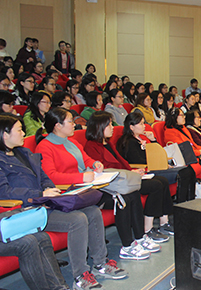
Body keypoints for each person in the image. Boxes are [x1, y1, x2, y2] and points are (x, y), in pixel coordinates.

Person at [0, 114, 127, 290]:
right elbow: (5, 192)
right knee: (78, 219)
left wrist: (48, 188)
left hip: (44, 203)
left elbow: (44, 176)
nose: (23, 134)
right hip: (26, 211)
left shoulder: (24, 154)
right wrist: (39, 195)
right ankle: (81, 275)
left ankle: (100, 263)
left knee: (92, 211)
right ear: (5, 135)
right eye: (19, 130)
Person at [36, 108, 157, 260]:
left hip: (88, 187)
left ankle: (140, 237)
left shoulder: (72, 142)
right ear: (58, 126)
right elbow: (51, 177)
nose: (74, 124)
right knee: (121, 198)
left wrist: (95, 164)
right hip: (70, 192)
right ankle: (127, 246)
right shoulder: (45, 147)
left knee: (131, 192)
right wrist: (81, 177)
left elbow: (86, 159)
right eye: (70, 121)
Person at [84, 111, 173, 243]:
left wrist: (133, 171)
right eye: (109, 125)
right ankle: (147, 228)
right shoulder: (92, 146)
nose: (112, 127)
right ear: (99, 126)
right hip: (116, 182)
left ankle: (163, 222)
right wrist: (130, 173)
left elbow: (122, 162)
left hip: (125, 177)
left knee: (163, 181)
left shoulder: (107, 143)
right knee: (156, 185)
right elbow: (104, 169)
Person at [117, 110, 196, 205]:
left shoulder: (142, 138)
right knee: (184, 172)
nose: (144, 126)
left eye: (144, 123)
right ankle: (182, 204)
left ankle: (190, 202)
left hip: (156, 167)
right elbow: (138, 160)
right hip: (148, 170)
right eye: (141, 124)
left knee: (189, 170)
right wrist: (161, 164)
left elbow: (159, 153)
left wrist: (153, 140)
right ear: (132, 127)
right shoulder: (129, 142)